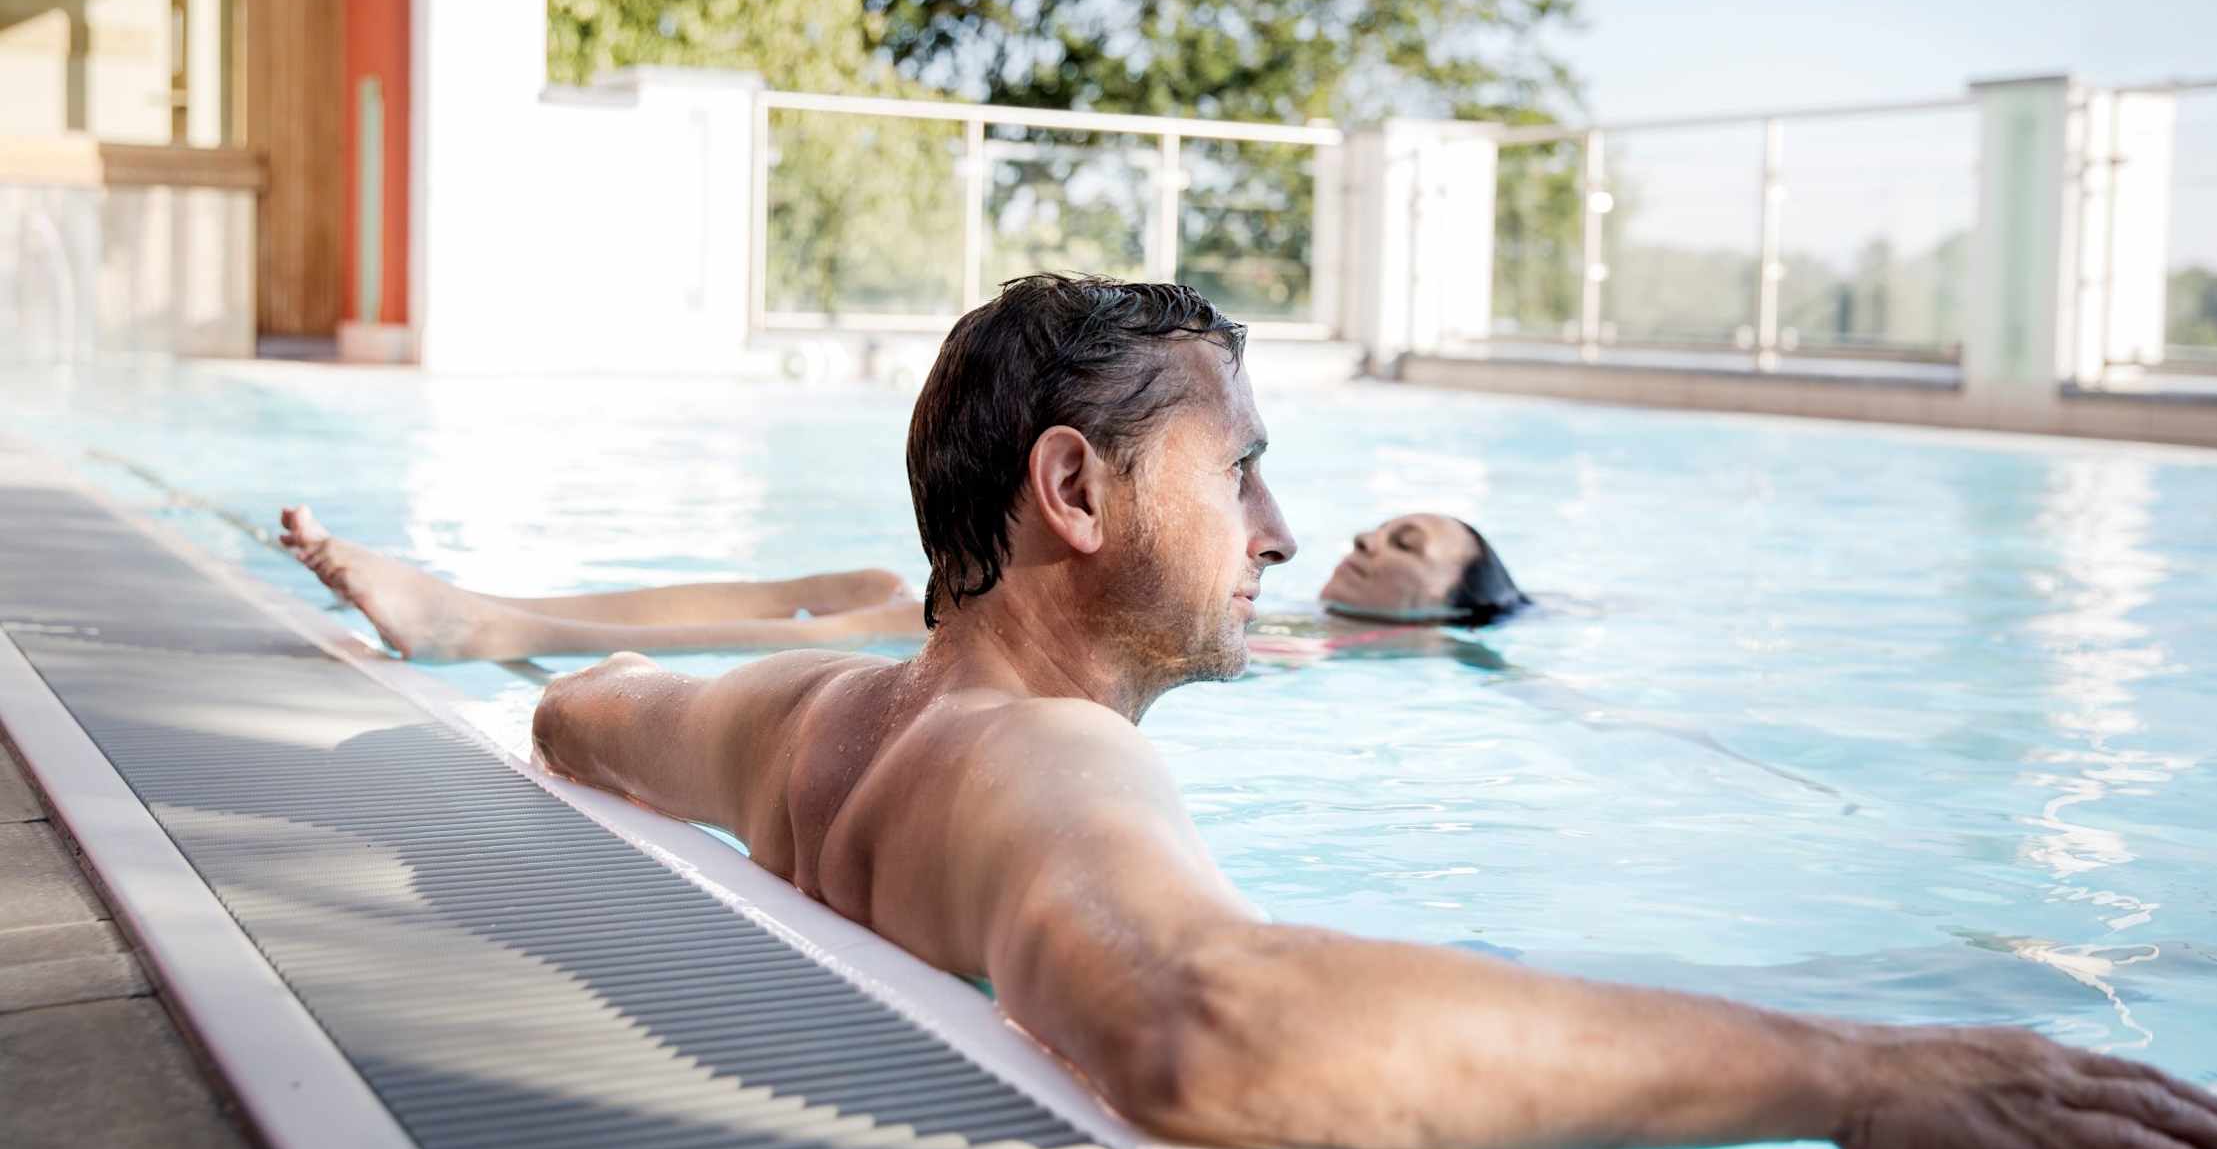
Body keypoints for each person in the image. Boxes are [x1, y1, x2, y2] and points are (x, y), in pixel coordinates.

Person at [512, 274, 2217, 1149]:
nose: (1281, 533)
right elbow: (1206, 1027)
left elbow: (577, 714)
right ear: (1074, 489)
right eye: (1239, 470)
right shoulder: (1047, 759)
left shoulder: (811, 719)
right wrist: (1859, 1075)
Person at [275, 505, 1531, 665]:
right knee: (866, 575)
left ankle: (482, 629)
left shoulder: (1355, 651)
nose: (1364, 542)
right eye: (1383, 527)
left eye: (1408, 547)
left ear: (1454, 601)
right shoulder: (1292, 606)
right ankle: (494, 602)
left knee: (912, 604)